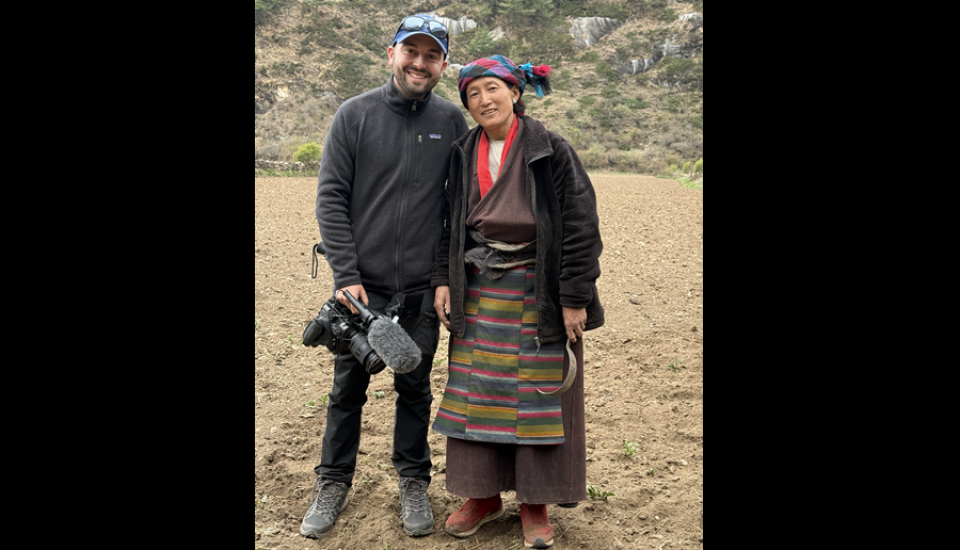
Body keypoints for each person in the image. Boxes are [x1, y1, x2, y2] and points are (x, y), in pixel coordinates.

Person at [300, 14, 469, 540]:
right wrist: (347, 275)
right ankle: (332, 483)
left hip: (419, 289)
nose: (420, 63)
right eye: (411, 51)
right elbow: (330, 199)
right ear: (392, 53)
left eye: (431, 55)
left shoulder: (451, 122)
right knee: (347, 391)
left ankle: (413, 480)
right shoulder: (354, 115)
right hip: (360, 292)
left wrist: (442, 275)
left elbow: (454, 210)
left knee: (415, 389)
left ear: (442, 64)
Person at [430, 55, 604, 549]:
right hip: (480, 286)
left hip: (540, 290)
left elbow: (580, 226)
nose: (484, 101)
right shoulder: (464, 151)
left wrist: (574, 298)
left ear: (515, 92)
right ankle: (482, 497)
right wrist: (443, 279)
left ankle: (535, 503)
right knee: (476, 395)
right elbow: (449, 225)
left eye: (492, 89)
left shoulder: (551, 148)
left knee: (537, 399)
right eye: (472, 94)